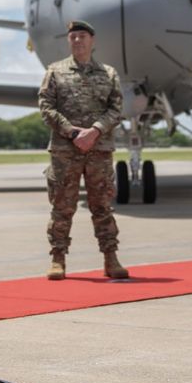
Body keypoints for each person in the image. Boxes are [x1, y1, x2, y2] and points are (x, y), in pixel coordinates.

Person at [38, 20, 129, 281]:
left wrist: (95, 131)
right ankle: (58, 258)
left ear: (93, 41)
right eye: (73, 37)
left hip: (99, 150)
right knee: (62, 207)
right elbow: (46, 107)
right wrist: (72, 132)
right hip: (65, 151)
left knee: (102, 206)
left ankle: (111, 258)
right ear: (69, 41)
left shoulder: (109, 74)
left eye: (82, 36)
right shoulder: (55, 72)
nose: (77, 41)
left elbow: (116, 109)